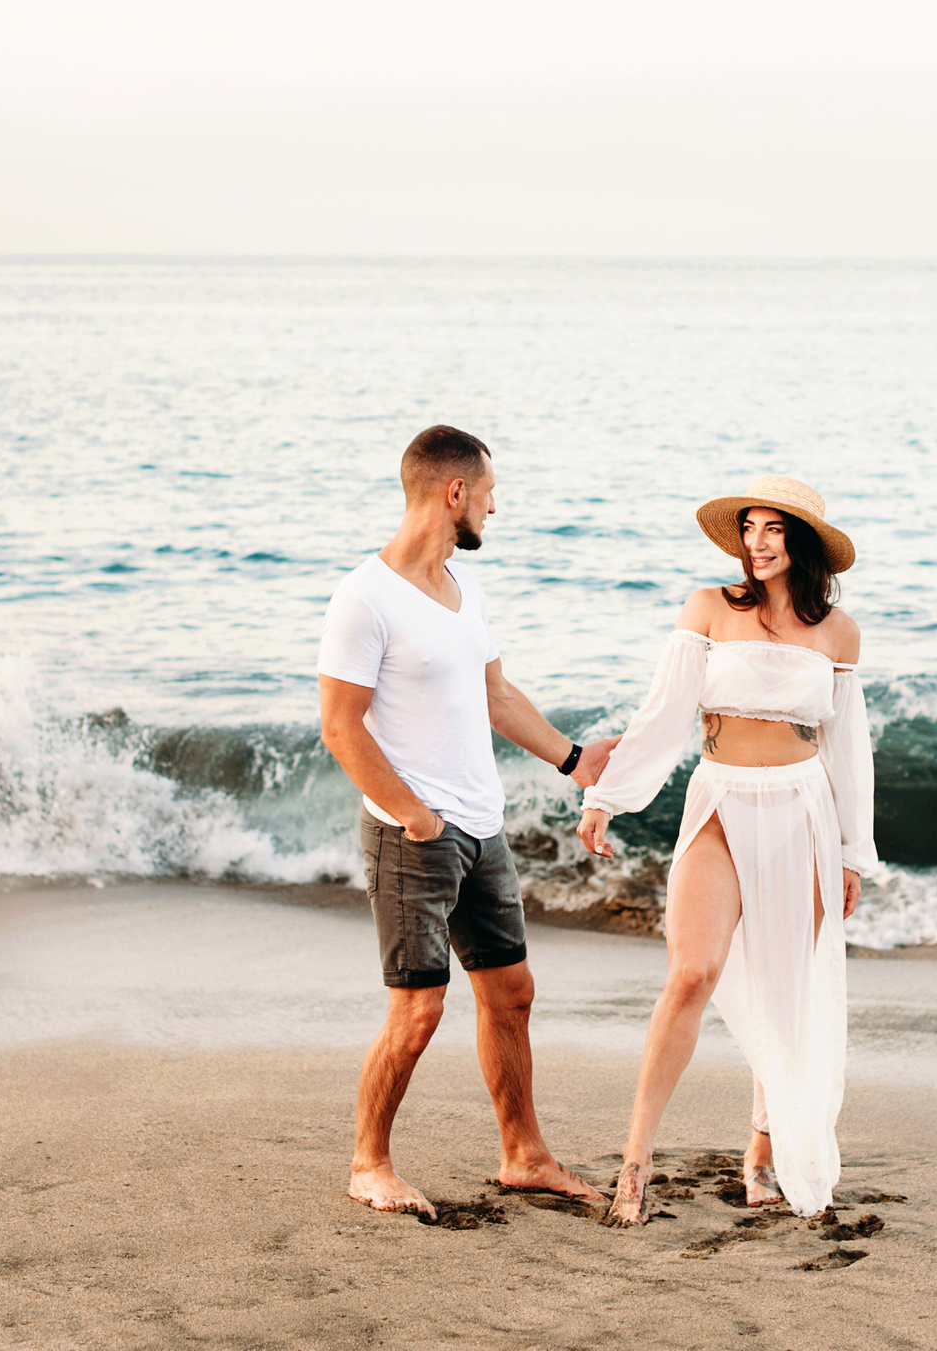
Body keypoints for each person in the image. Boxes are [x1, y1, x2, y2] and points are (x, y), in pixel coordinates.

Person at [317, 424, 615, 1221]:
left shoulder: (462, 587)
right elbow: (341, 727)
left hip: (481, 829)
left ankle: (523, 1155)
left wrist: (573, 758)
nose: (494, 506)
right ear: (455, 494)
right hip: (411, 834)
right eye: (488, 493)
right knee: (418, 1011)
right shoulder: (364, 598)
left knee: (510, 991)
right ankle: (368, 1164)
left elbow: (497, 696)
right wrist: (413, 815)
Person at [576, 475, 876, 1224]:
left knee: (786, 992)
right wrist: (606, 794)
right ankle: (635, 1164)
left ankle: (762, 1154)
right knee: (692, 974)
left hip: (803, 812)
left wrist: (852, 852)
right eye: (751, 528)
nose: (758, 542)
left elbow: (848, 750)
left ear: (801, 543)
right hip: (720, 799)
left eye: (775, 529)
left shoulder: (838, 633)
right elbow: (664, 714)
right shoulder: (709, 608)